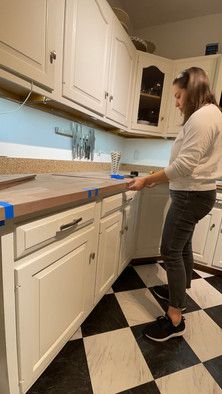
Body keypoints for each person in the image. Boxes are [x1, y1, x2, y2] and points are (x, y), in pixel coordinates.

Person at [127, 67, 222, 342]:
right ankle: (178, 293)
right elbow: (185, 166)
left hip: (191, 195)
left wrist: (147, 180)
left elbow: (184, 165)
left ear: (192, 91)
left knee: (170, 251)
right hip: (195, 193)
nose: (177, 103)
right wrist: (159, 179)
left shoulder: (202, 117)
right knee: (183, 248)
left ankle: (174, 318)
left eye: (179, 96)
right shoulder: (210, 114)